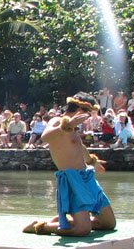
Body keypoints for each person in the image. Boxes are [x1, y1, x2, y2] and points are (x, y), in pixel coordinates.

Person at [22, 93, 116, 237]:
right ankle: (42, 226)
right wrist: (66, 126)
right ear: (79, 109)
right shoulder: (58, 121)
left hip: (87, 177)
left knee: (108, 224)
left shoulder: (74, 128)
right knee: (82, 230)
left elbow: (79, 147)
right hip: (72, 179)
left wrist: (92, 161)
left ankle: (65, 220)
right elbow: (45, 137)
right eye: (87, 113)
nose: (89, 117)